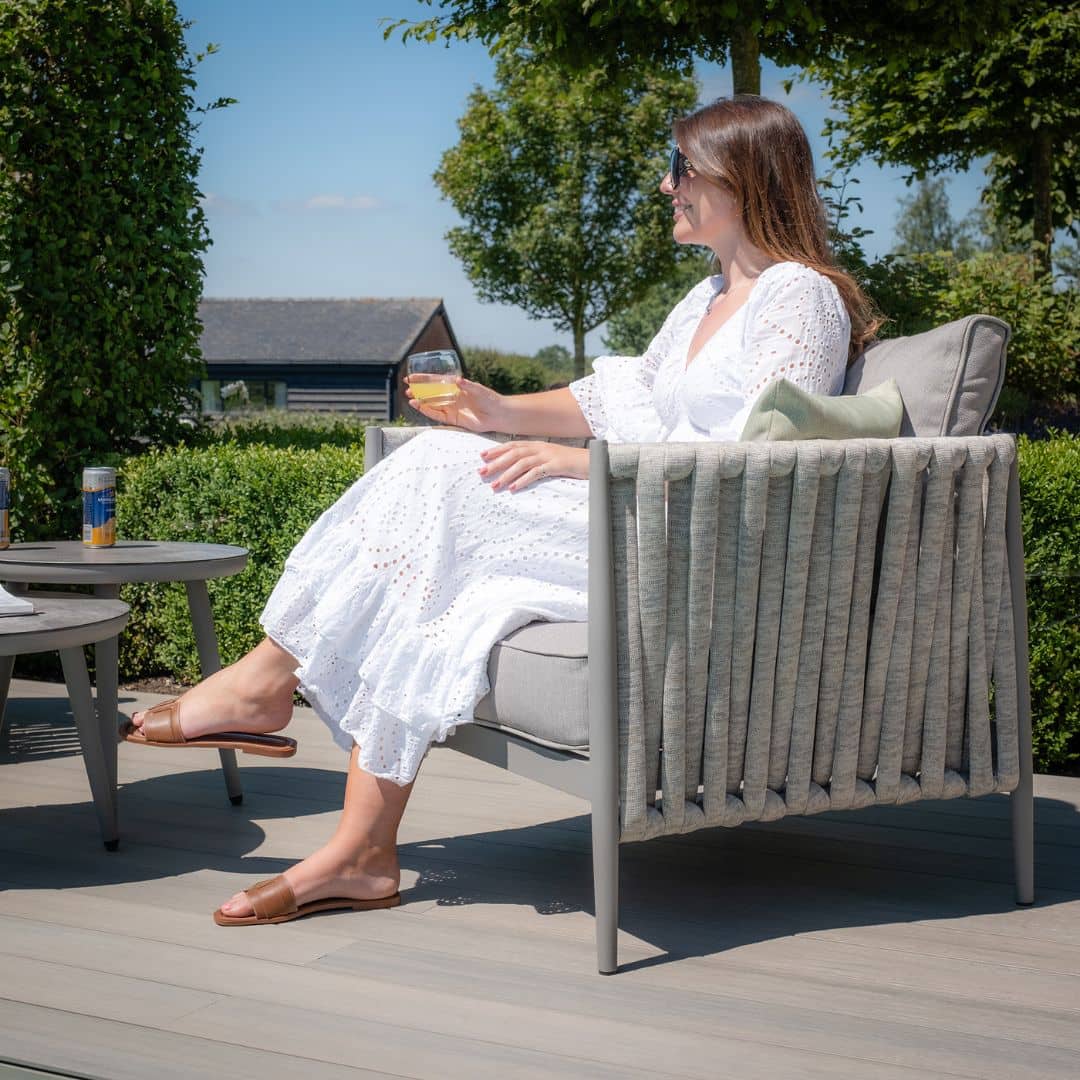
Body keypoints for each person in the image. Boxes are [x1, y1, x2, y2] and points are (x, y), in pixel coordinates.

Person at [125, 95, 880, 926]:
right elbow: (612, 401)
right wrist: (498, 407)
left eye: (681, 170)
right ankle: (359, 846)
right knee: (436, 532)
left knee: (440, 485)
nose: (667, 187)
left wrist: (585, 467)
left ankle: (271, 693)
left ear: (740, 178)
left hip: (684, 540)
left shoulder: (797, 297)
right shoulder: (701, 302)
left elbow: (760, 465)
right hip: (631, 505)